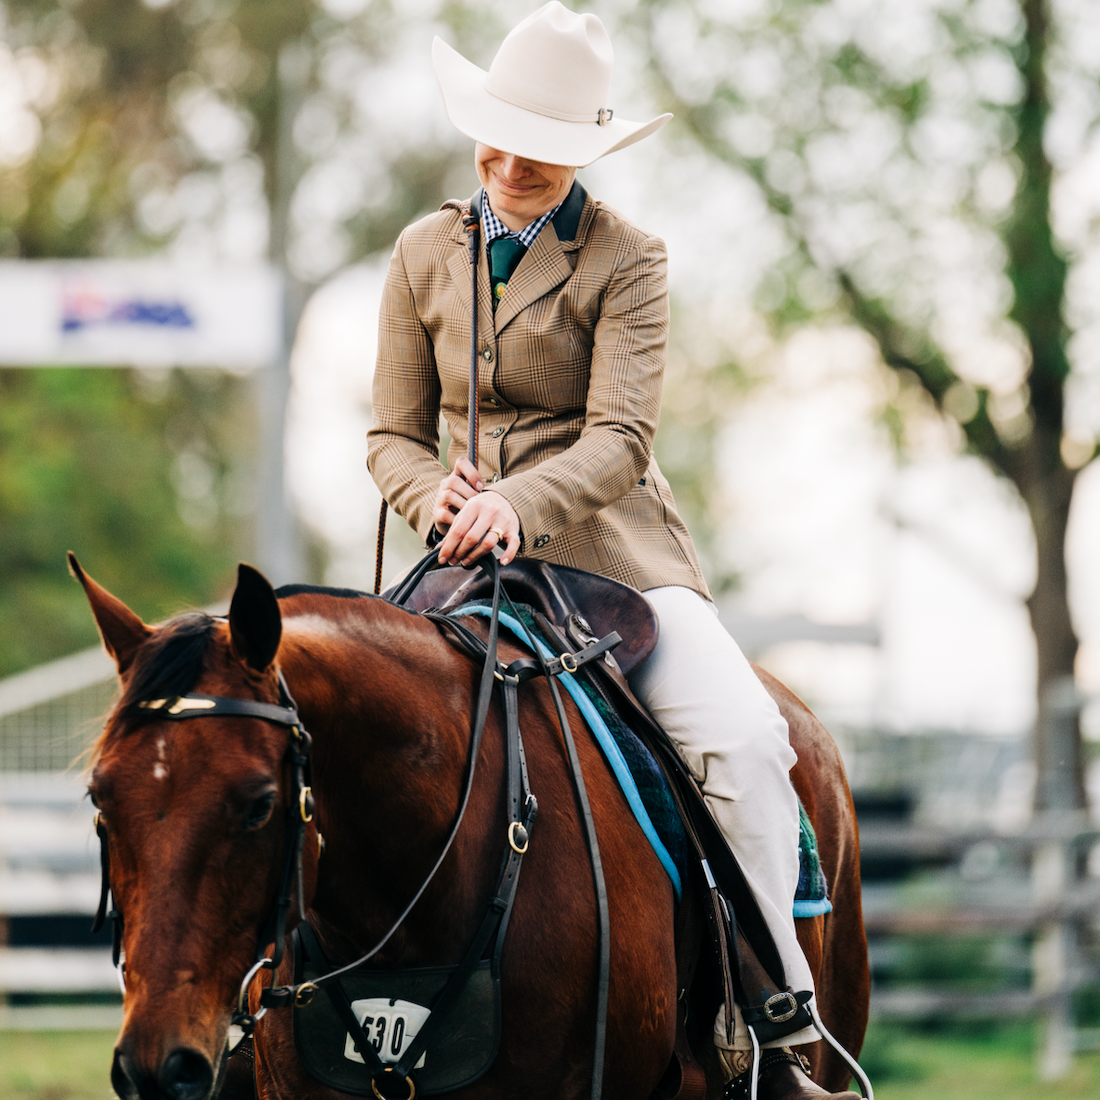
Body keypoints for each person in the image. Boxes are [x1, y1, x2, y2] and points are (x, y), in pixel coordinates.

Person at [367, 6, 859, 1099]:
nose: (504, 165)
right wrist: (429, 491)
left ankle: (781, 1021)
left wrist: (517, 506)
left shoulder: (630, 258)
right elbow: (389, 435)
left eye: (534, 154)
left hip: (612, 551)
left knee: (739, 741)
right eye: (492, 140)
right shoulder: (417, 253)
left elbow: (620, 438)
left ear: (580, 153)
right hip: (459, 556)